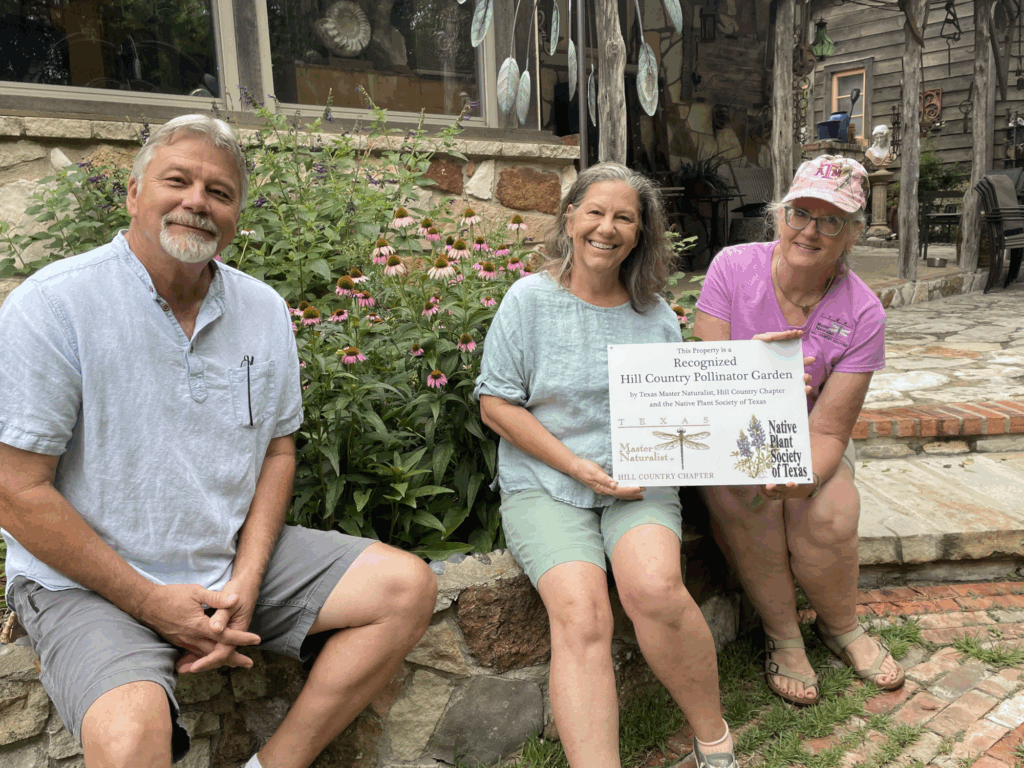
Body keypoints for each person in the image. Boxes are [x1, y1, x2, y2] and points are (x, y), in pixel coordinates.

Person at [0, 114, 437, 768]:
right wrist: (152, 604)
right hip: (87, 583)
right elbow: (14, 490)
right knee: (127, 741)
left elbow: (276, 451)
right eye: (177, 180)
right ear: (133, 193)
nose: (197, 201)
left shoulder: (262, 310)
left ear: (236, 215)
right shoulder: (56, 306)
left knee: (406, 589)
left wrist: (245, 580)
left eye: (220, 192)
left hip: (226, 559)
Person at [475, 163, 736, 768]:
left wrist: (768, 379)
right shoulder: (529, 300)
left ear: (640, 234)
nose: (607, 227)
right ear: (570, 219)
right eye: (595, 212)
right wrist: (575, 465)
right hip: (546, 481)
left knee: (656, 588)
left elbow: (689, 401)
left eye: (624, 218)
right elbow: (495, 404)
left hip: (639, 477)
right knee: (582, 612)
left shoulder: (656, 317)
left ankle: (714, 740)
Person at [693, 155, 904, 706]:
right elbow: (708, 380)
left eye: (831, 220)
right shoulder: (732, 268)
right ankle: (784, 638)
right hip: (734, 428)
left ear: (852, 234)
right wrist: (753, 367)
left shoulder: (863, 311)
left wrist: (800, 476)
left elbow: (832, 430)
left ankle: (841, 628)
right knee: (746, 498)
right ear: (779, 215)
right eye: (800, 213)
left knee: (830, 509)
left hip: (811, 432)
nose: (810, 230)